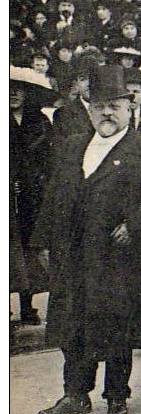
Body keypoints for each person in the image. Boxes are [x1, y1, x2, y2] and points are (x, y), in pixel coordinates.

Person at [32, 65, 141, 414]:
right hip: (73, 252)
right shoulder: (72, 147)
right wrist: (44, 242)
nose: (107, 113)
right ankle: (75, 394)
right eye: (99, 106)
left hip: (117, 254)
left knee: (116, 324)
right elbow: (54, 196)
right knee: (72, 324)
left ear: (129, 107)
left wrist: (135, 223)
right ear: (89, 108)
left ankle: (116, 395)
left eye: (114, 105)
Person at [10, 67, 57, 326]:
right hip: (8, 196)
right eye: (8, 89)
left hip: (34, 196)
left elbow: (51, 159)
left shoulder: (39, 121)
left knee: (31, 249)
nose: (14, 94)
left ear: (28, 93)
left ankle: (28, 306)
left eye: (19, 89)